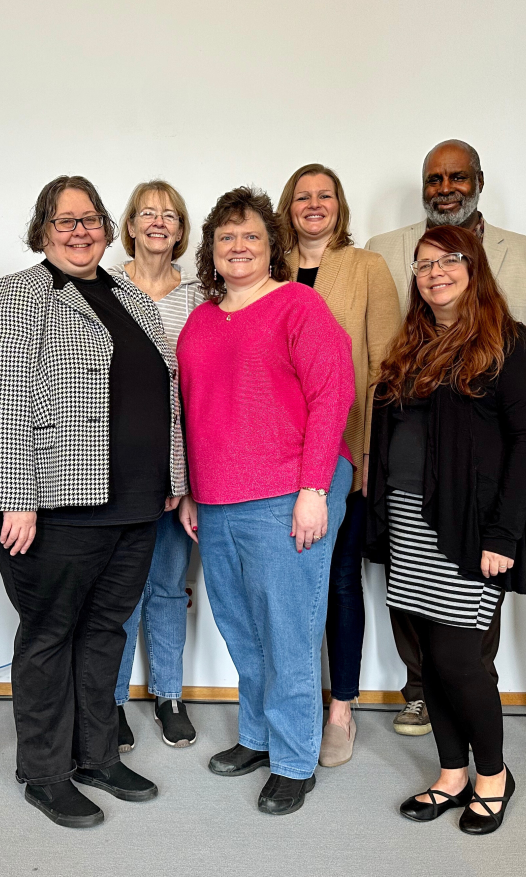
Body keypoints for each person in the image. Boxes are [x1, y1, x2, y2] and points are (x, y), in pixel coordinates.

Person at [0, 175, 187, 829]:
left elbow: (166, 390)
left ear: (106, 227)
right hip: (55, 505)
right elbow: (2, 400)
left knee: (104, 632)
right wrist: (16, 498)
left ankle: (95, 755)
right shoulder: (20, 294)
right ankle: (43, 770)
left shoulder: (130, 295)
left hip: (135, 504)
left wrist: (174, 476)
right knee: (50, 636)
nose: (79, 231)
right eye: (64, 221)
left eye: (90, 219)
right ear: (42, 231)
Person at [367, 139, 526, 736]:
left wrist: (509, 511)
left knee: (462, 648)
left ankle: (488, 768)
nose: (444, 188)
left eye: (456, 177)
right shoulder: (386, 259)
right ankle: (433, 726)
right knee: (418, 622)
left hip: (473, 494)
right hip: (406, 495)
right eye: (433, 179)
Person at [177, 187, 355, 816]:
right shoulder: (200, 320)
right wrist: (193, 491)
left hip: (288, 493)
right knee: (243, 630)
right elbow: (193, 412)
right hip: (218, 499)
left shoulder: (298, 306)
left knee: (288, 632)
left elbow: (332, 396)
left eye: (251, 235)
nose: (239, 246)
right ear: (211, 251)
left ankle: (294, 758)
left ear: (272, 246)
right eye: (226, 237)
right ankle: (257, 737)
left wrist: (313, 491)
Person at [364, 225, 526, 836]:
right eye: (422, 265)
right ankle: (450, 773)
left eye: (447, 261)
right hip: (408, 518)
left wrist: (504, 534)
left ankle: (493, 776)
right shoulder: (410, 346)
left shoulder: (510, 344)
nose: (434, 272)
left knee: (460, 658)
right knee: (432, 661)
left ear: (473, 267)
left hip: (471, 527)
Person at [276, 164, 401, 767]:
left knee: (339, 580)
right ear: (288, 207)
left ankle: (341, 707)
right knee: (286, 587)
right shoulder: (266, 270)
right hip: (273, 457)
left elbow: (386, 368)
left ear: (340, 205)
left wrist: (373, 454)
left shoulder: (367, 268)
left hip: (343, 451)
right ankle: (289, 702)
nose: (314, 205)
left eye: (325, 196)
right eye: (303, 197)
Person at [108, 180, 204, 750]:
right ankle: (112, 700)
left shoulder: (197, 295)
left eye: (170, 214)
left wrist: (190, 481)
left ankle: (169, 695)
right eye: (148, 213)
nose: (159, 222)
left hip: (179, 463)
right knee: (119, 591)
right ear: (132, 224)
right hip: (118, 465)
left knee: (168, 586)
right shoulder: (105, 285)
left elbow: (200, 391)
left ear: (181, 227)